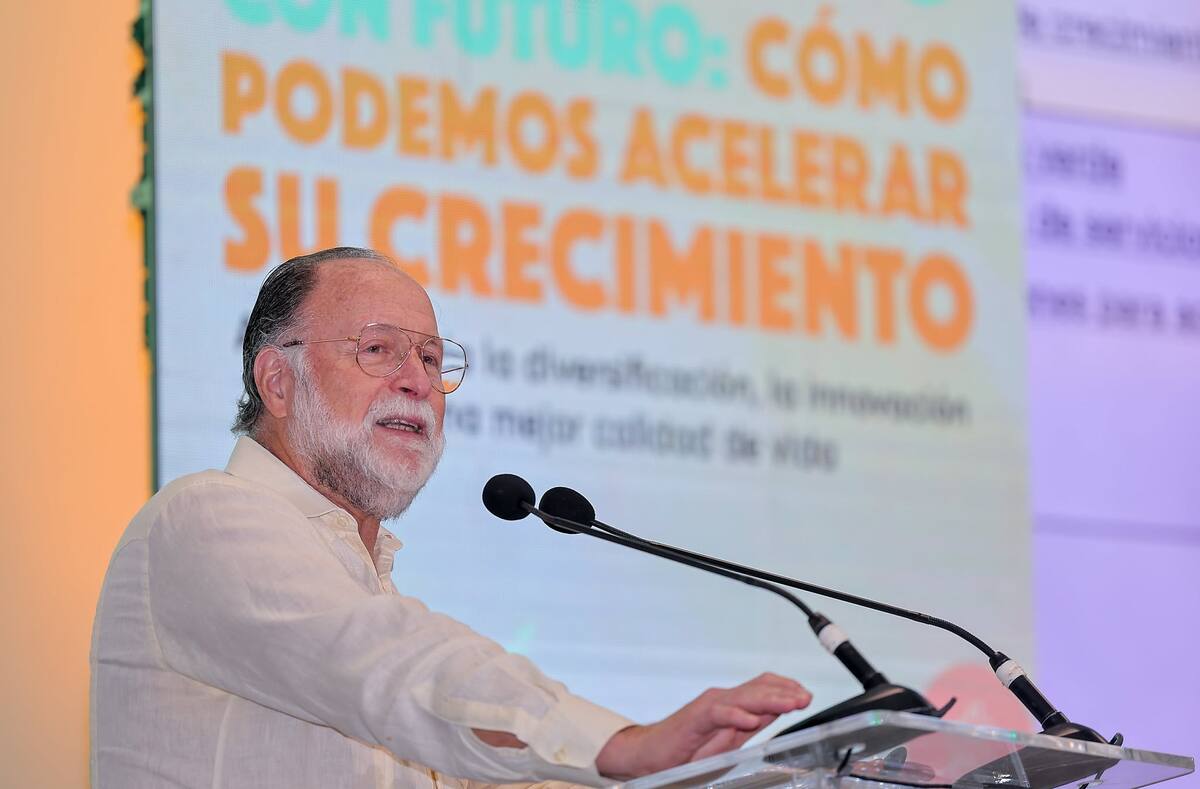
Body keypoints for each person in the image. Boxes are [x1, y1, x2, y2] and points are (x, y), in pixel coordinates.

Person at [90, 247, 812, 789]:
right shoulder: (201, 522)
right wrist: (617, 745)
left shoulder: (371, 587)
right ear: (278, 380)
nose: (418, 379)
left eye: (432, 358)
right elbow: (389, 662)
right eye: (378, 349)